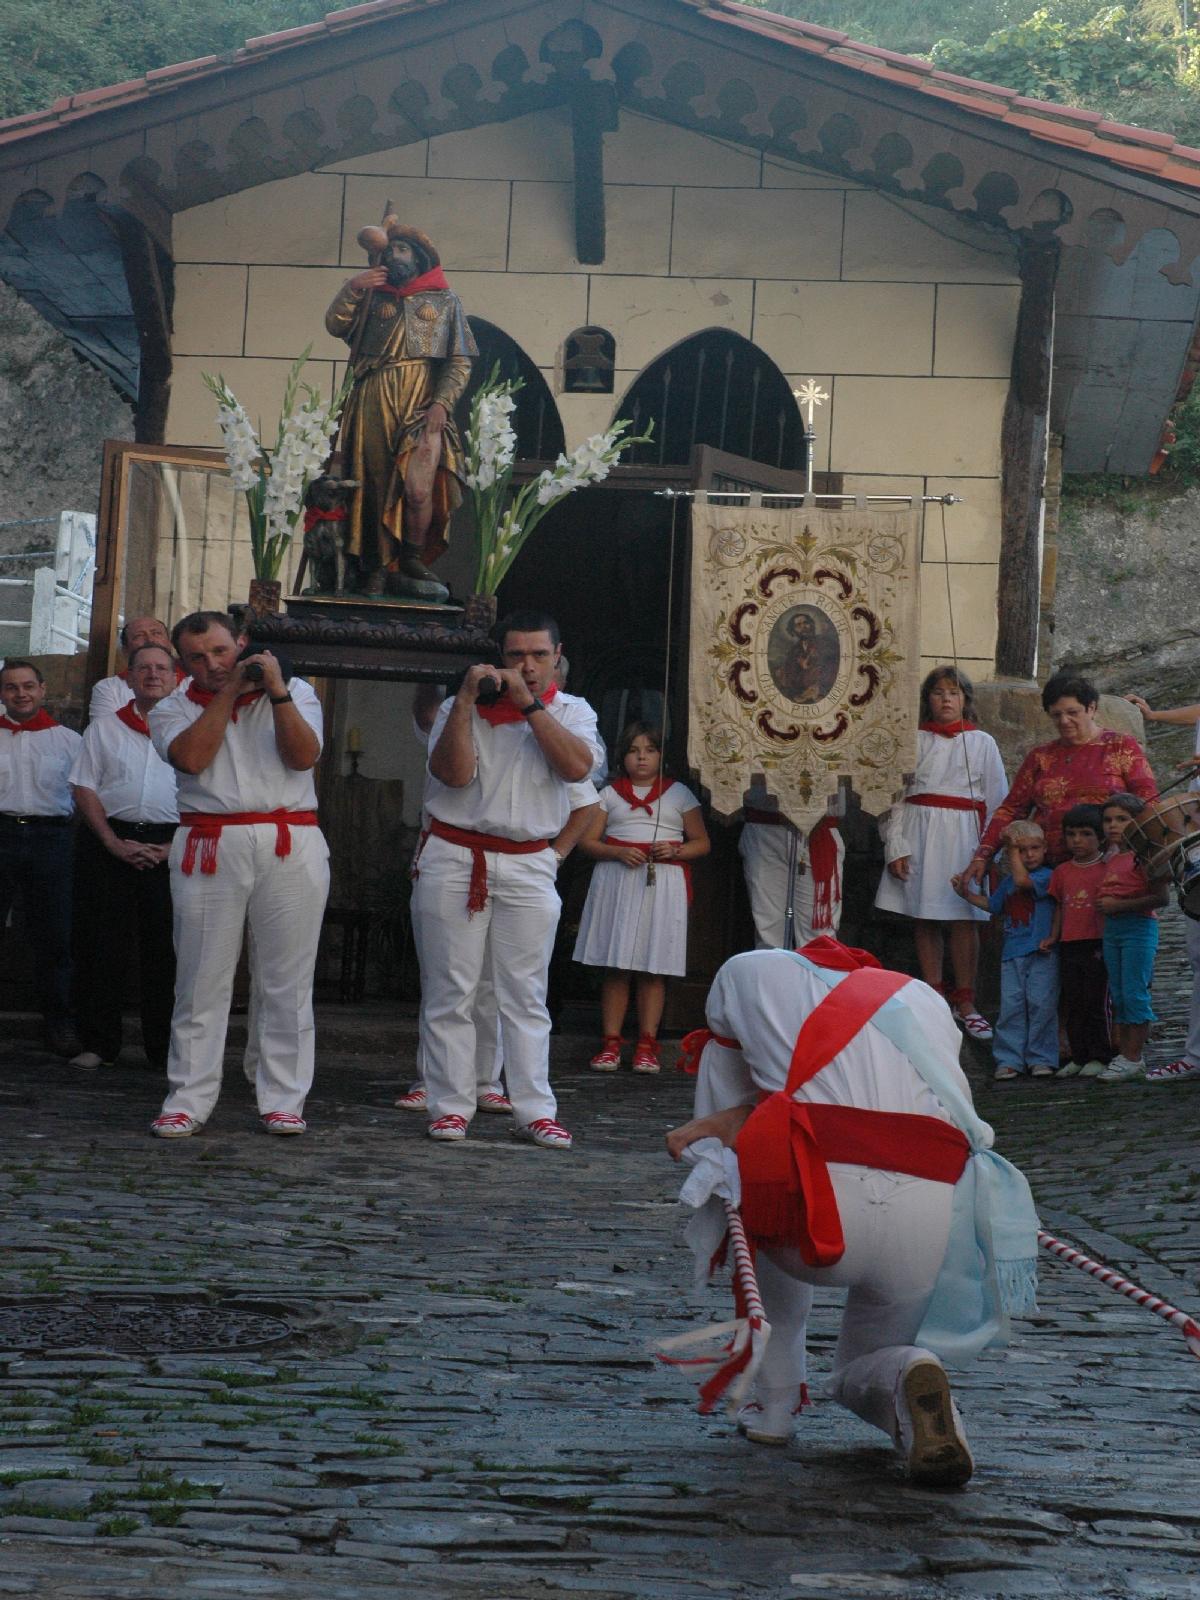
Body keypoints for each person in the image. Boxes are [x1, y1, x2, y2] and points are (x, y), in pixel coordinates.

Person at [664, 937, 1037, 1488]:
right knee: (871, 1361)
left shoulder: (746, 970)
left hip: (818, 1198)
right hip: (928, 1200)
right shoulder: (923, 997)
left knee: (761, 1185)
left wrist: (718, 1153)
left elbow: (726, 1112)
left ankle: (774, 1407)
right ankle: (913, 1373)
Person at [412, 609, 603, 1148]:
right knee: (451, 991)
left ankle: (534, 1110)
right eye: (516, 656)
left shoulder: (574, 711)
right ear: (499, 658)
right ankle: (451, 1106)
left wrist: (529, 705)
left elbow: (576, 769)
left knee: (525, 995)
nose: (528, 666)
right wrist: (466, 701)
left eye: (539, 655)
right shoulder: (458, 707)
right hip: (456, 854)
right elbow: (453, 774)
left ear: (557, 657)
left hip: (528, 861)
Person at [147, 611, 329, 1138]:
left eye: (221, 652)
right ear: (183, 664)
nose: (212, 664)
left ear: (243, 644)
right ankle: (188, 1097)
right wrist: (228, 693)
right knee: (200, 976)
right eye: (197, 658)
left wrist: (276, 692)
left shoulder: (297, 692)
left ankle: (283, 1098)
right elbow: (191, 758)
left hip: (289, 836)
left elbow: (303, 757)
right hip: (210, 840)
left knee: (286, 979)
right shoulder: (172, 707)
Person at [325, 219, 476, 599]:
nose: (395, 255)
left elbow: (459, 361)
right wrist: (353, 287)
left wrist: (442, 403)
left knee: (418, 489)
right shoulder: (373, 298)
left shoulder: (444, 301)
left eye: (403, 249)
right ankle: (374, 566)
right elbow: (336, 324)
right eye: (390, 249)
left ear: (419, 257)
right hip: (373, 396)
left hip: (420, 403)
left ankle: (410, 555)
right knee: (372, 484)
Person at [874, 666, 1007, 1041]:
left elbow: (998, 799)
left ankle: (967, 1001)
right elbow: (893, 797)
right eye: (938, 692)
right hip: (919, 832)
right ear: (927, 699)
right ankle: (934, 996)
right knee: (925, 914)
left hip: (964, 835)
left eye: (954, 692)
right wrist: (895, 844)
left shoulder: (982, 743)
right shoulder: (912, 741)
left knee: (963, 917)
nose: (946, 699)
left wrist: (985, 852)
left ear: (965, 700)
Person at [574, 721, 710, 1073]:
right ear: (623, 757)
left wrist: (675, 850)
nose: (642, 758)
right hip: (618, 880)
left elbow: (701, 842)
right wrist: (617, 852)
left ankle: (647, 1045)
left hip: (662, 883)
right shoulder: (609, 794)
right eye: (634, 751)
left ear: (662, 756)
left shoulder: (680, 794)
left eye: (650, 750)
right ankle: (611, 1043)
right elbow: (587, 841)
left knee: (653, 966)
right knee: (617, 965)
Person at [69, 643, 180, 1071]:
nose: (153, 675)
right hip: (109, 842)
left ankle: (164, 1049)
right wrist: (112, 843)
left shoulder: (192, 728)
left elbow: (210, 792)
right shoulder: (104, 728)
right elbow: (84, 786)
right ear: (129, 677)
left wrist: (173, 847)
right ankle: (99, 1043)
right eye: (144, 668)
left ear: (175, 678)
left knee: (167, 950)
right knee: (102, 946)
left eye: (162, 668)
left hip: (171, 844)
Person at [960, 671, 1156, 888]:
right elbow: (1011, 809)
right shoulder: (1040, 757)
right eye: (1056, 715)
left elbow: (1147, 799)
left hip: (1109, 866)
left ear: (1091, 708)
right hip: (1050, 872)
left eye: (1072, 712)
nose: (1064, 721)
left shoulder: (1120, 746)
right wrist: (983, 855)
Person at [0, 659, 82, 1056]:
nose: (21, 694)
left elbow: (83, 795)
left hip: (51, 839)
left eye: (28, 686)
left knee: (55, 935)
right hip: (0, 833)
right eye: (12, 687)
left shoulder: (69, 741)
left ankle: (59, 1022)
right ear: (2, 694)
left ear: (42, 689)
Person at [953, 822, 1056, 1081]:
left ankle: (1041, 1057)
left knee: (1041, 1005)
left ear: (1045, 848)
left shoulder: (1046, 876)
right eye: (1021, 850)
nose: (1028, 855)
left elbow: (1023, 881)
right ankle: (1009, 1059)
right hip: (1012, 954)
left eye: (1034, 848)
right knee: (1011, 1007)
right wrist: (966, 895)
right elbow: (994, 905)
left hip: (1041, 953)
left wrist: (1010, 849)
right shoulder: (1009, 882)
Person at [1094, 792, 1169, 1083]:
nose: (1113, 825)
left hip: (1138, 928)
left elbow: (1161, 898)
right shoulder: (1111, 856)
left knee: (1135, 992)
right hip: (1112, 930)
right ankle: (1125, 1054)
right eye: (1108, 820)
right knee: (1119, 993)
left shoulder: (1147, 856)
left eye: (1122, 819)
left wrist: (1119, 906)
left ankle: (1134, 1056)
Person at [1040, 804, 1112, 1079]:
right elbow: (1060, 905)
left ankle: (1100, 1054)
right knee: (1073, 1000)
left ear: (1100, 837)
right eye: (1071, 834)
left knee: (1096, 1000)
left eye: (1085, 834)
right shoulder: (1062, 871)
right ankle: (1079, 1055)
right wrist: (1054, 935)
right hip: (1070, 942)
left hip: (1097, 941)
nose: (1077, 841)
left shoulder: (1107, 868)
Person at [738, 786, 845, 950]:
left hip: (818, 828)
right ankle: (774, 968)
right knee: (768, 928)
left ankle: (815, 968)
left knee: (819, 934)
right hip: (765, 824)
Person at [89, 617, 180, 721]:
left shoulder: (190, 683)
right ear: (125, 650)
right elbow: (104, 729)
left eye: (156, 633)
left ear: (170, 643)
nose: (150, 640)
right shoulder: (109, 689)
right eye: (139, 636)